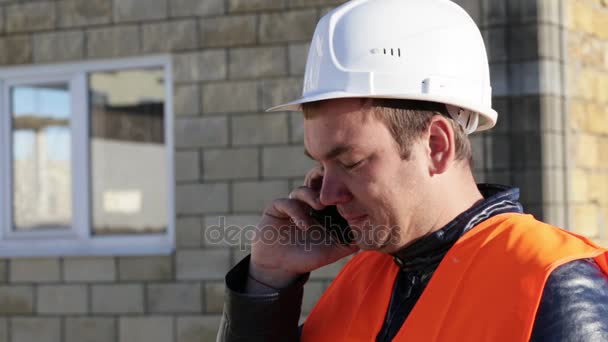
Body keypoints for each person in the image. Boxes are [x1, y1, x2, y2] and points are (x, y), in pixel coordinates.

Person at [217, 0, 608, 341]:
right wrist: (267, 280)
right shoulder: (361, 279)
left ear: (436, 146)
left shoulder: (551, 284)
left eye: (351, 162)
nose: (325, 194)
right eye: (321, 164)